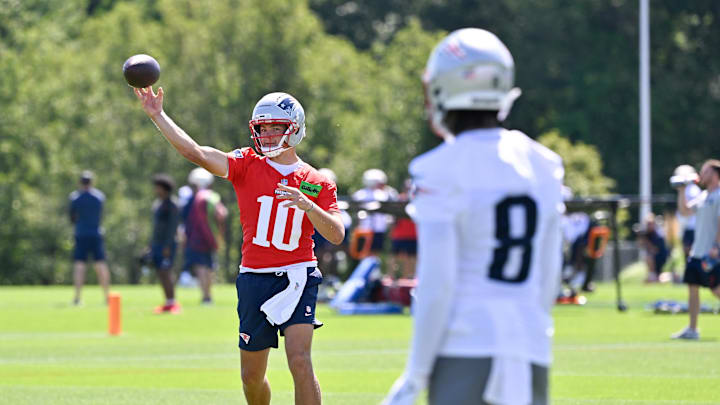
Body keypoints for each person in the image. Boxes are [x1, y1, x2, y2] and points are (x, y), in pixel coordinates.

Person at [383, 28, 564, 405]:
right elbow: (549, 275)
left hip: (464, 345)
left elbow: (438, 282)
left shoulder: (439, 168)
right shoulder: (543, 164)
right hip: (530, 347)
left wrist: (416, 373)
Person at [134, 88, 345, 405]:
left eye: (276, 127)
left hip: (298, 274)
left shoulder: (315, 181)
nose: (268, 134)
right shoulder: (247, 163)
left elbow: (337, 233)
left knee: (300, 360)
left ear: (295, 128)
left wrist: (308, 206)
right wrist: (158, 115)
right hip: (255, 277)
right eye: (263, 128)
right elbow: (197, 153)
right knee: (251, 378)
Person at [671, 159, 720, 340]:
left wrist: (716, 246)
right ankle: (692, 329)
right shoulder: (704, 196)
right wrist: (682, 189)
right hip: (697, 252)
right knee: (692, 287)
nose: (701, 175)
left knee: (716, 290)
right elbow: (685, 211)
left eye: (705, 171)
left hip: (713, 252)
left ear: (714, 174)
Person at [182, 167, 227, 304]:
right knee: (209, 266)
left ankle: (206, 296)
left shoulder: (194, 199)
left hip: (197, 238)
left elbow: (186, 219)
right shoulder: (212, 196)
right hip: (211, 237)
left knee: (200, 266)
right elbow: (222, 214)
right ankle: (209, 295)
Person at [69, 170, 110, 305]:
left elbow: (72, 217)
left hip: (81, 234)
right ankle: (106, 297)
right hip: (96, 233)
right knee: (100, 265)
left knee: (80, 265)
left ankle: (77, 297)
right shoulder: (99, 197)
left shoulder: (75, 197)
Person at [148, 174, 181, 314]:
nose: (156, 190)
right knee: (160, 272)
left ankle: (173, 302)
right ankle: (167, 301)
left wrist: (167, 245)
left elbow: (172, 227)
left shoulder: (172, 205)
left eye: (158, 187)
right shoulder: (158, 204)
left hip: (167, 244)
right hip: (156, 243)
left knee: (166, 272)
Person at [351, 168, 398, 255]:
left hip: (375, 229)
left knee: (373, 253)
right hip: (366, 229)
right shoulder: (362, 194)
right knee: (366, 252)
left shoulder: (379, 194)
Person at [389, 179, 417, 279]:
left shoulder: (417, 199)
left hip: (413, 234)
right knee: (394, 257)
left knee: (411, 258)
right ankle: (391, 277)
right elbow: (393, 218)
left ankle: (408, 277)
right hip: (399, 234)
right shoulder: (399, 199)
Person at [637, 213, 669, 283]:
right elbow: (640, 245)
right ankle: (653, 276)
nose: (649, 226)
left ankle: (654, 276)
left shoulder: (658, 234)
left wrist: (646, 241)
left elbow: (655, 249)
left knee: (649, 258)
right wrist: (640, 237)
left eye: (650, 224)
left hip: (660, 258)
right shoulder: (647, 234)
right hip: (654, 258)